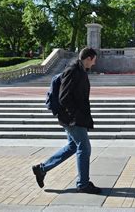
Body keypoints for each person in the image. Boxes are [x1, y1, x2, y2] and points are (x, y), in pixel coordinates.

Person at [32, 47, 101, 194]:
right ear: (88, 58)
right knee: (84, 147)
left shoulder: (80, 70)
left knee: (73, 146)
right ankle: (83, 184)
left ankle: (42, 169)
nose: (94, 63)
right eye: (94, 60)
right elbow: (64, 97)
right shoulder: (73, 70)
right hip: (72, 119)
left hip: (72, 117)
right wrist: (74, 117)